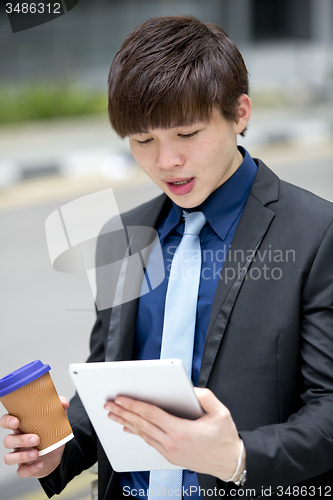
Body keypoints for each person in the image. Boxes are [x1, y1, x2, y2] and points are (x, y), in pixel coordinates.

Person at [1, 14, 333, 500]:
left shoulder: (316, 233)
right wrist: (58, 451)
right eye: (143, 141)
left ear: (240, 113)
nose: (165, 162)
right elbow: (109, 383)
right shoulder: (123, 236)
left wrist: (237, 457)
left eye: (186, 134)